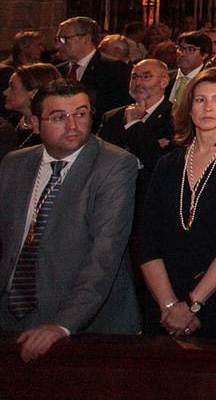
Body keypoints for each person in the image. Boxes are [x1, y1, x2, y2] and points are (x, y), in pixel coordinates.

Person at [0, 80, 139, 360]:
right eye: (59, 117)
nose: (73, 125)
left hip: (86, 323)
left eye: (81, 113)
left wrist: (63, 324)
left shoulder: (114, 164)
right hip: (11, 313)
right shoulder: (14, 164)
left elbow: (105, 254)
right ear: (34, 123)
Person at [139, 69, 216, 339]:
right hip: (163, 301)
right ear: (188, 107)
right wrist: (169, 305)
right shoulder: (167, 163)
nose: (208, 108)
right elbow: (147, 240)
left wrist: (193, 304)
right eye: (200, 100)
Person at [98, 57, 175, 222]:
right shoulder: (112, 117)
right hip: (111, 201)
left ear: (164, 82)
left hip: (151, 206)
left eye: (146, 76)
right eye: (134, 77)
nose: (138, 82)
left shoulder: (177, 117)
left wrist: (134, 125)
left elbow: (158, 161)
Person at [56, 16, 132, 117]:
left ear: (86, 39)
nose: (58, 46)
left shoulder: (114, 70)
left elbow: (116, 112)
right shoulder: (58, 71)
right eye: (58, 40)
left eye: (64, 39)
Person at [3, 63, 61, 156]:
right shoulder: (11, 121)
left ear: (34, 93)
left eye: (13, 87)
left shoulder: (48, 134)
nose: (5, 92)